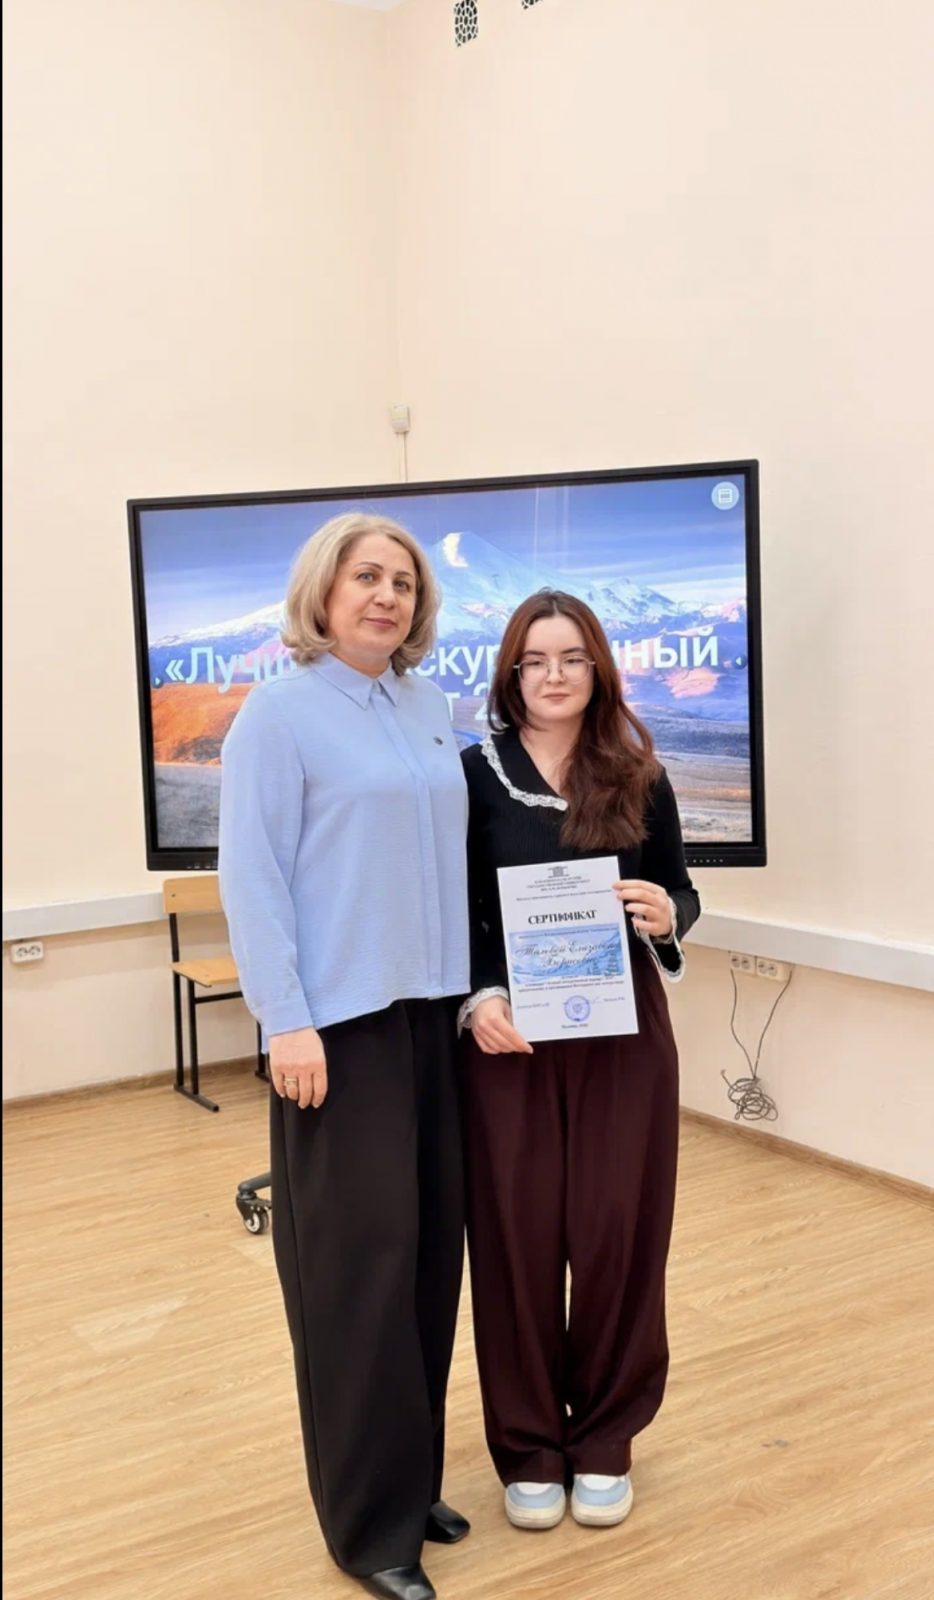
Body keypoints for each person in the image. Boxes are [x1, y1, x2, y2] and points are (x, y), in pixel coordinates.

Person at [219, 512, 471, 1600]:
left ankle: (412, 1480)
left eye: (404, 583)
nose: (386, 596)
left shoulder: (428, 707)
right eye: (366, 577)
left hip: (433, 1020)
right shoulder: (277, 715)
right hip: (338, 1028)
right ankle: (369, 1527)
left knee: (427, 1262)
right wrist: (285, 1019)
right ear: (323, 592)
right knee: (356, 1278)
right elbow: (253, 876)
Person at [458, 589, 700, 1532]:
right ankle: (528, 1446)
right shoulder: (470, 774)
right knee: (515, 1240)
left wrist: (668, 913)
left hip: (622, 1036)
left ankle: (604, 1438)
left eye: (572, 658)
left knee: (616, 1232)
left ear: (597, 669)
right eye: (535, 660)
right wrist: (480, 995)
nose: (553, 675)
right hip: (509, 1037)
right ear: (511, 673)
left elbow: (678, 888)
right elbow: (454, 909)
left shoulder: (639, 772)